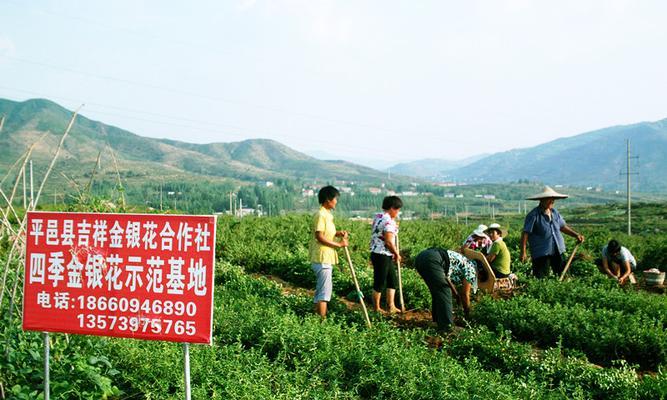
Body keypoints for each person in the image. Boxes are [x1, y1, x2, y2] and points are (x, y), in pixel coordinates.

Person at [520, 186, 584, 279]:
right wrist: (523, 252)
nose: (552, 201)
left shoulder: (555, 213)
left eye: (553, 199)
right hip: (541, 252)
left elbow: (562, 227)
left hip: (557, 249)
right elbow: (525, 233)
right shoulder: (533, 215)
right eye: (549, 199)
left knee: (563, 275)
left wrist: (576, 235)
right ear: (542, 200)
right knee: (541, 278)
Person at [415, 248, 477, 332]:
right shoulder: (472, 269)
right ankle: (447, 326)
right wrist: (467, 312)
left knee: (437, 291)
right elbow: (465, 294)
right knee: (444, 290)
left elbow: (447, 279)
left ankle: (437, 321)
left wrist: (455, 294)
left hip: (422, 257)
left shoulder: (464, 262)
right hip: (433, 259)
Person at [309, 185, 348, 318]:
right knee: (324, 293)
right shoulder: (321, 215)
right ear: (328, 199)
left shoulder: (327, 215)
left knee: (321, 290)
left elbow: (326, 233)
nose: (336, 201)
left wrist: (337, 233)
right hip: (322, 258)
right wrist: (339, 244)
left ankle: (316, 319)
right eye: (335, 199)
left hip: (325, 258)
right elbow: (319, 237)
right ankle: (322, 322)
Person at [369, 195, 403, 313]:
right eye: (397, 209)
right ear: (392, 208)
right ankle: (376, 308)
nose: (398, 212)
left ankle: (391, 306)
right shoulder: (389, 221)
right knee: (380, 281)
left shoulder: (379, 216)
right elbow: (388, 241)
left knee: (392, 280)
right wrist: (396, 253)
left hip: (379, 253)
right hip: (381, 254)